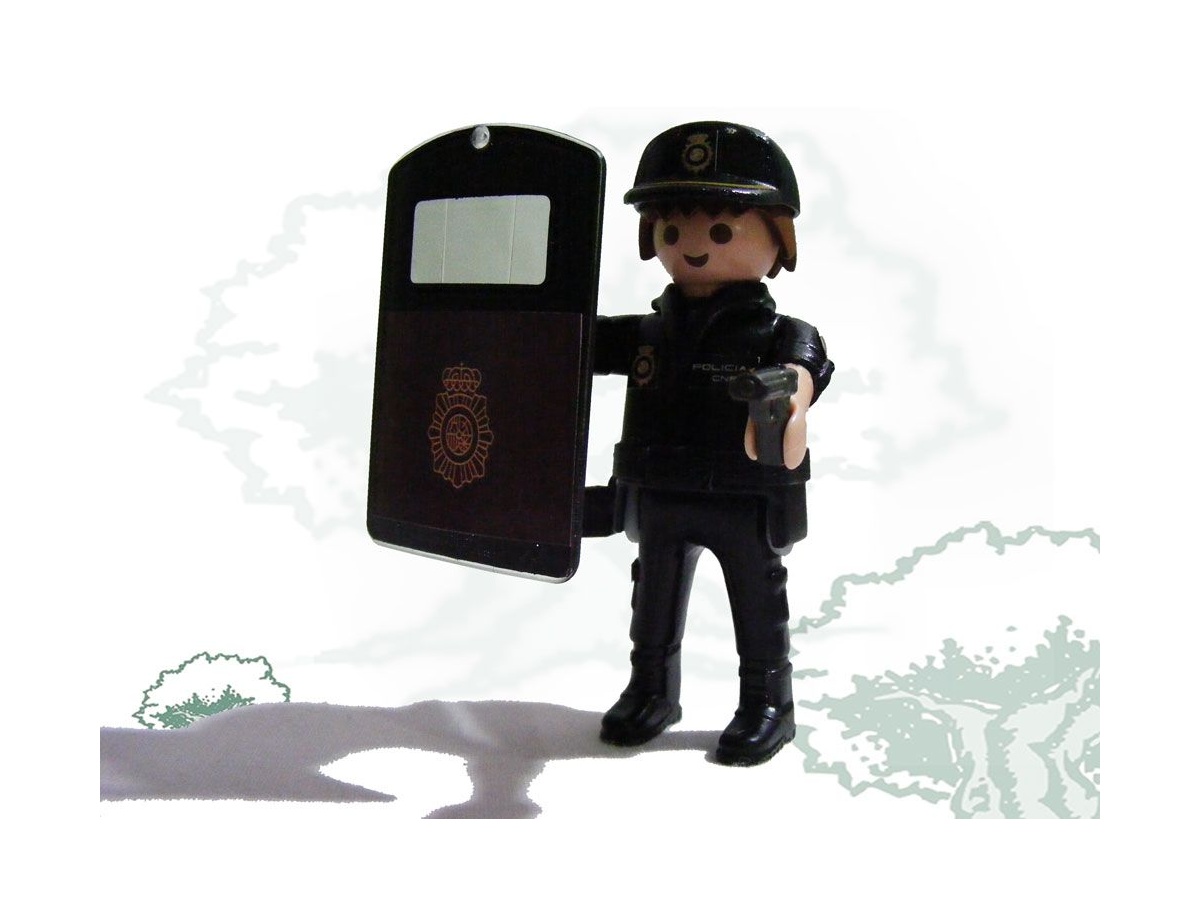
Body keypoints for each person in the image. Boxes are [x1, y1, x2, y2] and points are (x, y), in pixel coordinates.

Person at [589, 122, 834, 765]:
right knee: (653, 598)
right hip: (660, 489)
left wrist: (789, 391)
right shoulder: (647, 331)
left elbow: (807, 366)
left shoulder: (779, 332)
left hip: (741, 492)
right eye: (673, 231)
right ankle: (651, 689)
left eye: (721, 232)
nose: (693, 247)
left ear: (777, 239)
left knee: (757, 600)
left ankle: (768, 703)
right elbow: (574, 345)